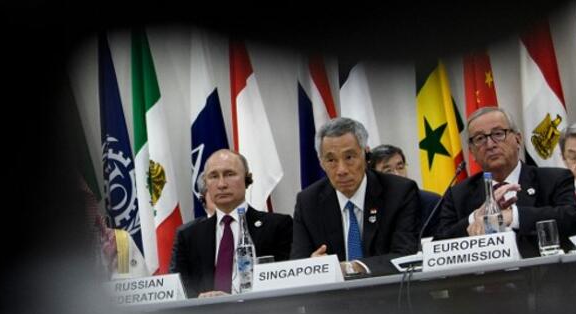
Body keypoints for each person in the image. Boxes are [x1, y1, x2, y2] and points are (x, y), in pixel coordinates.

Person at [435, 106, 576, 256]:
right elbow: (437, 246)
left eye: (498, 134)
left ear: (518, 139)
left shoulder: (554, 179)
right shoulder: (457, 195)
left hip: (548, 277)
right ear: (472, 152)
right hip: (487, 278)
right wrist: (474, 218)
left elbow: (575, 220)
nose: (490, 144)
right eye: (480, 138)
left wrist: (512, 216)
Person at [290, 118, 420, 276]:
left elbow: (405, 255)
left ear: (366, 154)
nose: (341, 170)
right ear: (321, 163)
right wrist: (312, 266)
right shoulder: (308, 202)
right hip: (334, 298)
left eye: (349, 157)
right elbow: (298, 265)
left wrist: (353, 267)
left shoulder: (399, 192)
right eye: (331, 160)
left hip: (390, 295)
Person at [169, 149, 293, 298]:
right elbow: (178, 290)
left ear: (247, 179)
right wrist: (200, 300)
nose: (221, 184)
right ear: (206, 185)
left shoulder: (278, 226)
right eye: (213, 176)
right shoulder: (188, 236)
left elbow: (285, 283)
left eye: (229, 174)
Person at [368, 143, 443, 237]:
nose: (397, 174)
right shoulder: (370, 208)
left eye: (400, 168)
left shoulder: (432, 203)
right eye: (388, 171)